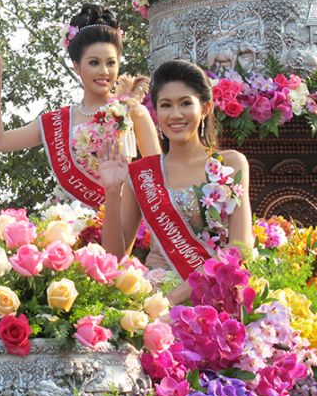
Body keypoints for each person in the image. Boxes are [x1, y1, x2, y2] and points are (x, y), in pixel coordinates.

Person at [0, 3, 161, 211]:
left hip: (121, 224)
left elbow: (158, 176)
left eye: (111, 63)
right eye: (94, 63)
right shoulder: (57, 121)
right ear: (76, 66)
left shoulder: (132, 111)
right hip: (68, 228)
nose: (104, 71)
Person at [100, 60, 253, 305]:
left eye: (185, 103)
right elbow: (114, 259)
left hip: (215, 302)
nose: (175, 114)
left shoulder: (230, 164)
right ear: (156, 113)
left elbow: (240, 248)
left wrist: (171, 301)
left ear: (205, 108)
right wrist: (111, 190)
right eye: (165, 105)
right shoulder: (141, 174)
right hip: (153, 300)